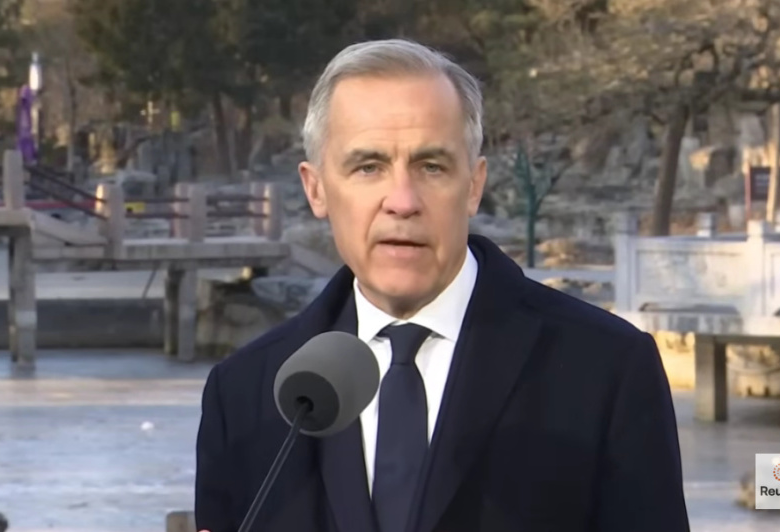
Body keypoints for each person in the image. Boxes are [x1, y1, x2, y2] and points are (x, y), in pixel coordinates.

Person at [195, 39, 689, 532]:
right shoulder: (243, 394)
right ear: (316, 188)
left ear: (473, 186)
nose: (403, 201)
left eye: (431, 167)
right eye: (368, 167)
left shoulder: (606, 369)